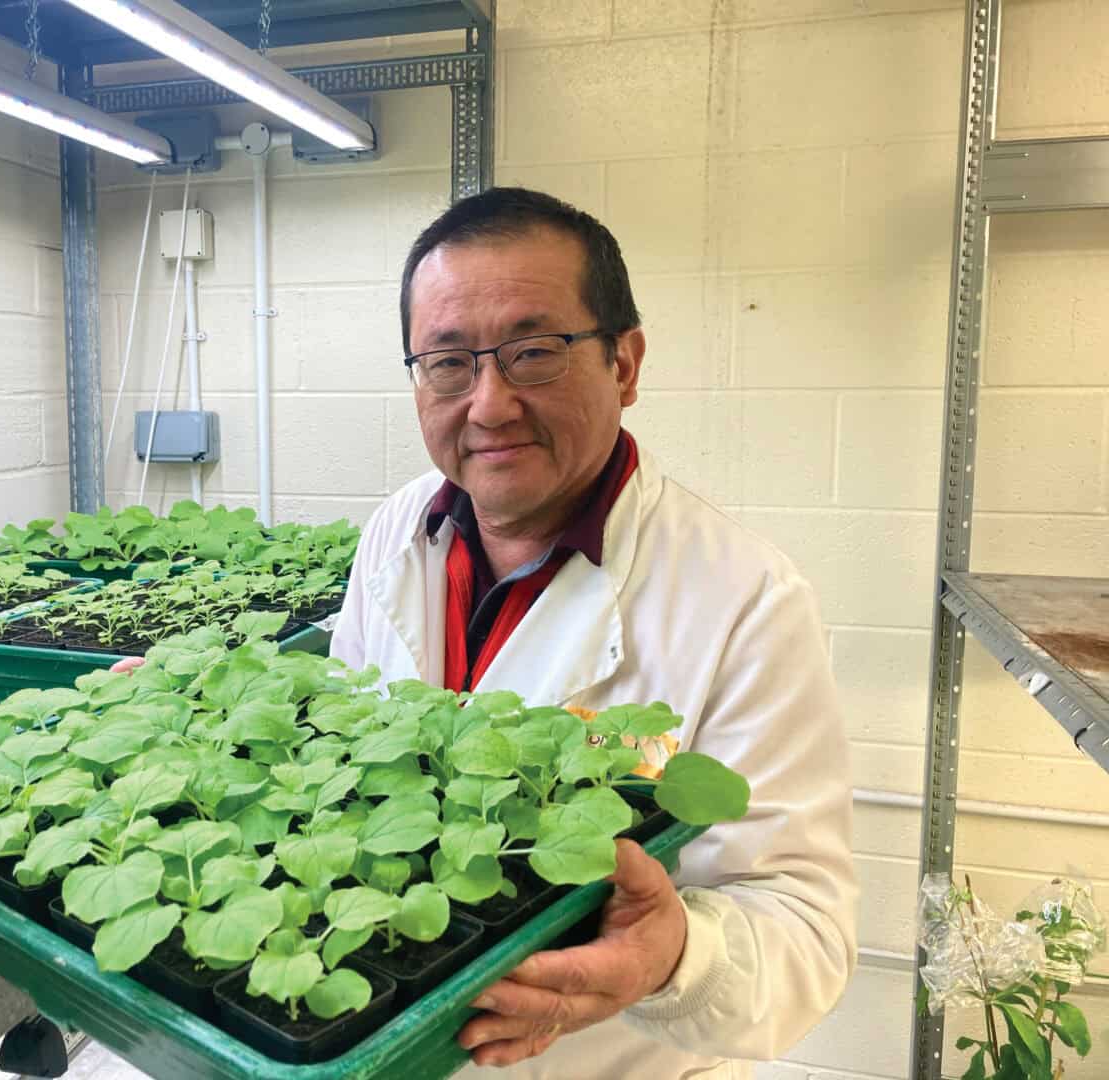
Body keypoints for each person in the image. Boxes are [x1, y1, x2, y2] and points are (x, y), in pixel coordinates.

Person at [326, 187, 857, 1078]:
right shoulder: (394, 534)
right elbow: (344, 759)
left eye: (533, 353)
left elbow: (806, 932)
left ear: (625, 363)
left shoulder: (745, 598)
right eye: (448, 363)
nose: (489, 405)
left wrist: (677, 956)